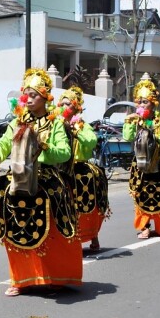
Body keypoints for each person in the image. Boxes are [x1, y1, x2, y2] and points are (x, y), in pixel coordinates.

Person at [0, 68, 80, 296]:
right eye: (25, 94)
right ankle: (20, 277)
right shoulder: (18, 121)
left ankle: (54, 275)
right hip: (20, 174)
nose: (27, 99)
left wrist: (42, 147)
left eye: (33, 95)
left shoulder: (55, 123)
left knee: (55, 202)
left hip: (46, 174)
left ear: (45, 97)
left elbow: (64, 153)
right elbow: (3, 142)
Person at [123, 79, 160, 239]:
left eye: (145, 102)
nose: (141, 105)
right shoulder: (135, 119)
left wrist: (153, 135)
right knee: (140, 194)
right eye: (139, 102)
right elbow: (127, 137)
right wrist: (129, 122)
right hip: (142, 162)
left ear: (153, 103)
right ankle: (145, 226)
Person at [58, 86, 107, 252]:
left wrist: (76, 131)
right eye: (62, 104)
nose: (65, 108)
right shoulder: (55, 124)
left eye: (69, 105)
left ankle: (92, 234)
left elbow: (92, 141)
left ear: (76, 108)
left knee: (88, 188)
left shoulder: (82, 125)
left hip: (79, 168)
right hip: (59, 168)